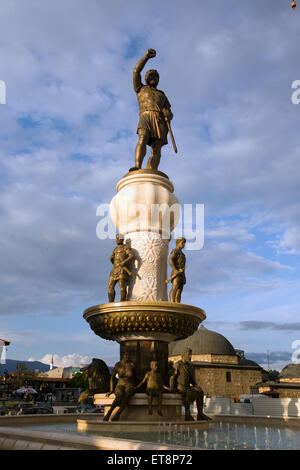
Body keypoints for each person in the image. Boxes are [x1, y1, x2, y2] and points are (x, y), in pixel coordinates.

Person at [132, 48, 173, 171]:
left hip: (159, 120)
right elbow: (136, 71)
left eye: (156, 75)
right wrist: (146, 57)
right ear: (145, 78)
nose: (153, 77)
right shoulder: (140, 88)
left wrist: (168, 114)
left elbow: (169, 111)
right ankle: (137, 166)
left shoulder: (162, 94)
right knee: (142, 138)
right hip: (145, 116)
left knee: (156, 149)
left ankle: (152, 171)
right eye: (150, 74)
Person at [170, 348, 211, 421]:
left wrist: (196, 386)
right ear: (183, 355)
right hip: (180, 386)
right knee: (187, 392)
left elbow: (192, 380)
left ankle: (200, 414)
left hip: (187, 387)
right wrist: (172, 388)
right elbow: (172, 378)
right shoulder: (177, 365)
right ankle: (187, 414)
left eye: (190, 355)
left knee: (200, 392)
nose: (190, 356)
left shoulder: (190, 366)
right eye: (188, 355)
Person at [103, 352, 136, 422]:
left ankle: (118, 414)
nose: (127, 357)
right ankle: (109, 413)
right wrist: (111, 389)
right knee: (119, 395)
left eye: (129, 355)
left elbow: (135, 377)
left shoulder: (132, 365)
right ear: (123, 356)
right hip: (120, 384)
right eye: (126, 355)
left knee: (127, 396)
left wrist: (135, 386)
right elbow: (112, 376)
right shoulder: (118, 365)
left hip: (129, 384)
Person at [108, 234, 133, 302]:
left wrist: (124, 262)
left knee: (122, 287)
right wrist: (111, 258)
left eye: (118, 238)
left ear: (122, 239)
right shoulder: (115, 249)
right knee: (110, 286)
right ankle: (111, 302)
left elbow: (131, 256)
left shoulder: (125, 247)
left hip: (122, 269)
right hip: (114, 269)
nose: (117, 240)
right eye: (116, 239)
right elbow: (112, 258)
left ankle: (122, 301)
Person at [167, 238, 186, 303]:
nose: (183, 245)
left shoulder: (182, 254)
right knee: (174, 288)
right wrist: (175, 269)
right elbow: (170, 259)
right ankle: (172, 302)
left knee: (179, 290)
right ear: (178, 243)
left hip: (182, 274)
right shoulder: (175, 251)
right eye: (182, 243)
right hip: (176, 274)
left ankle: (177, 302)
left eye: (184, 243)